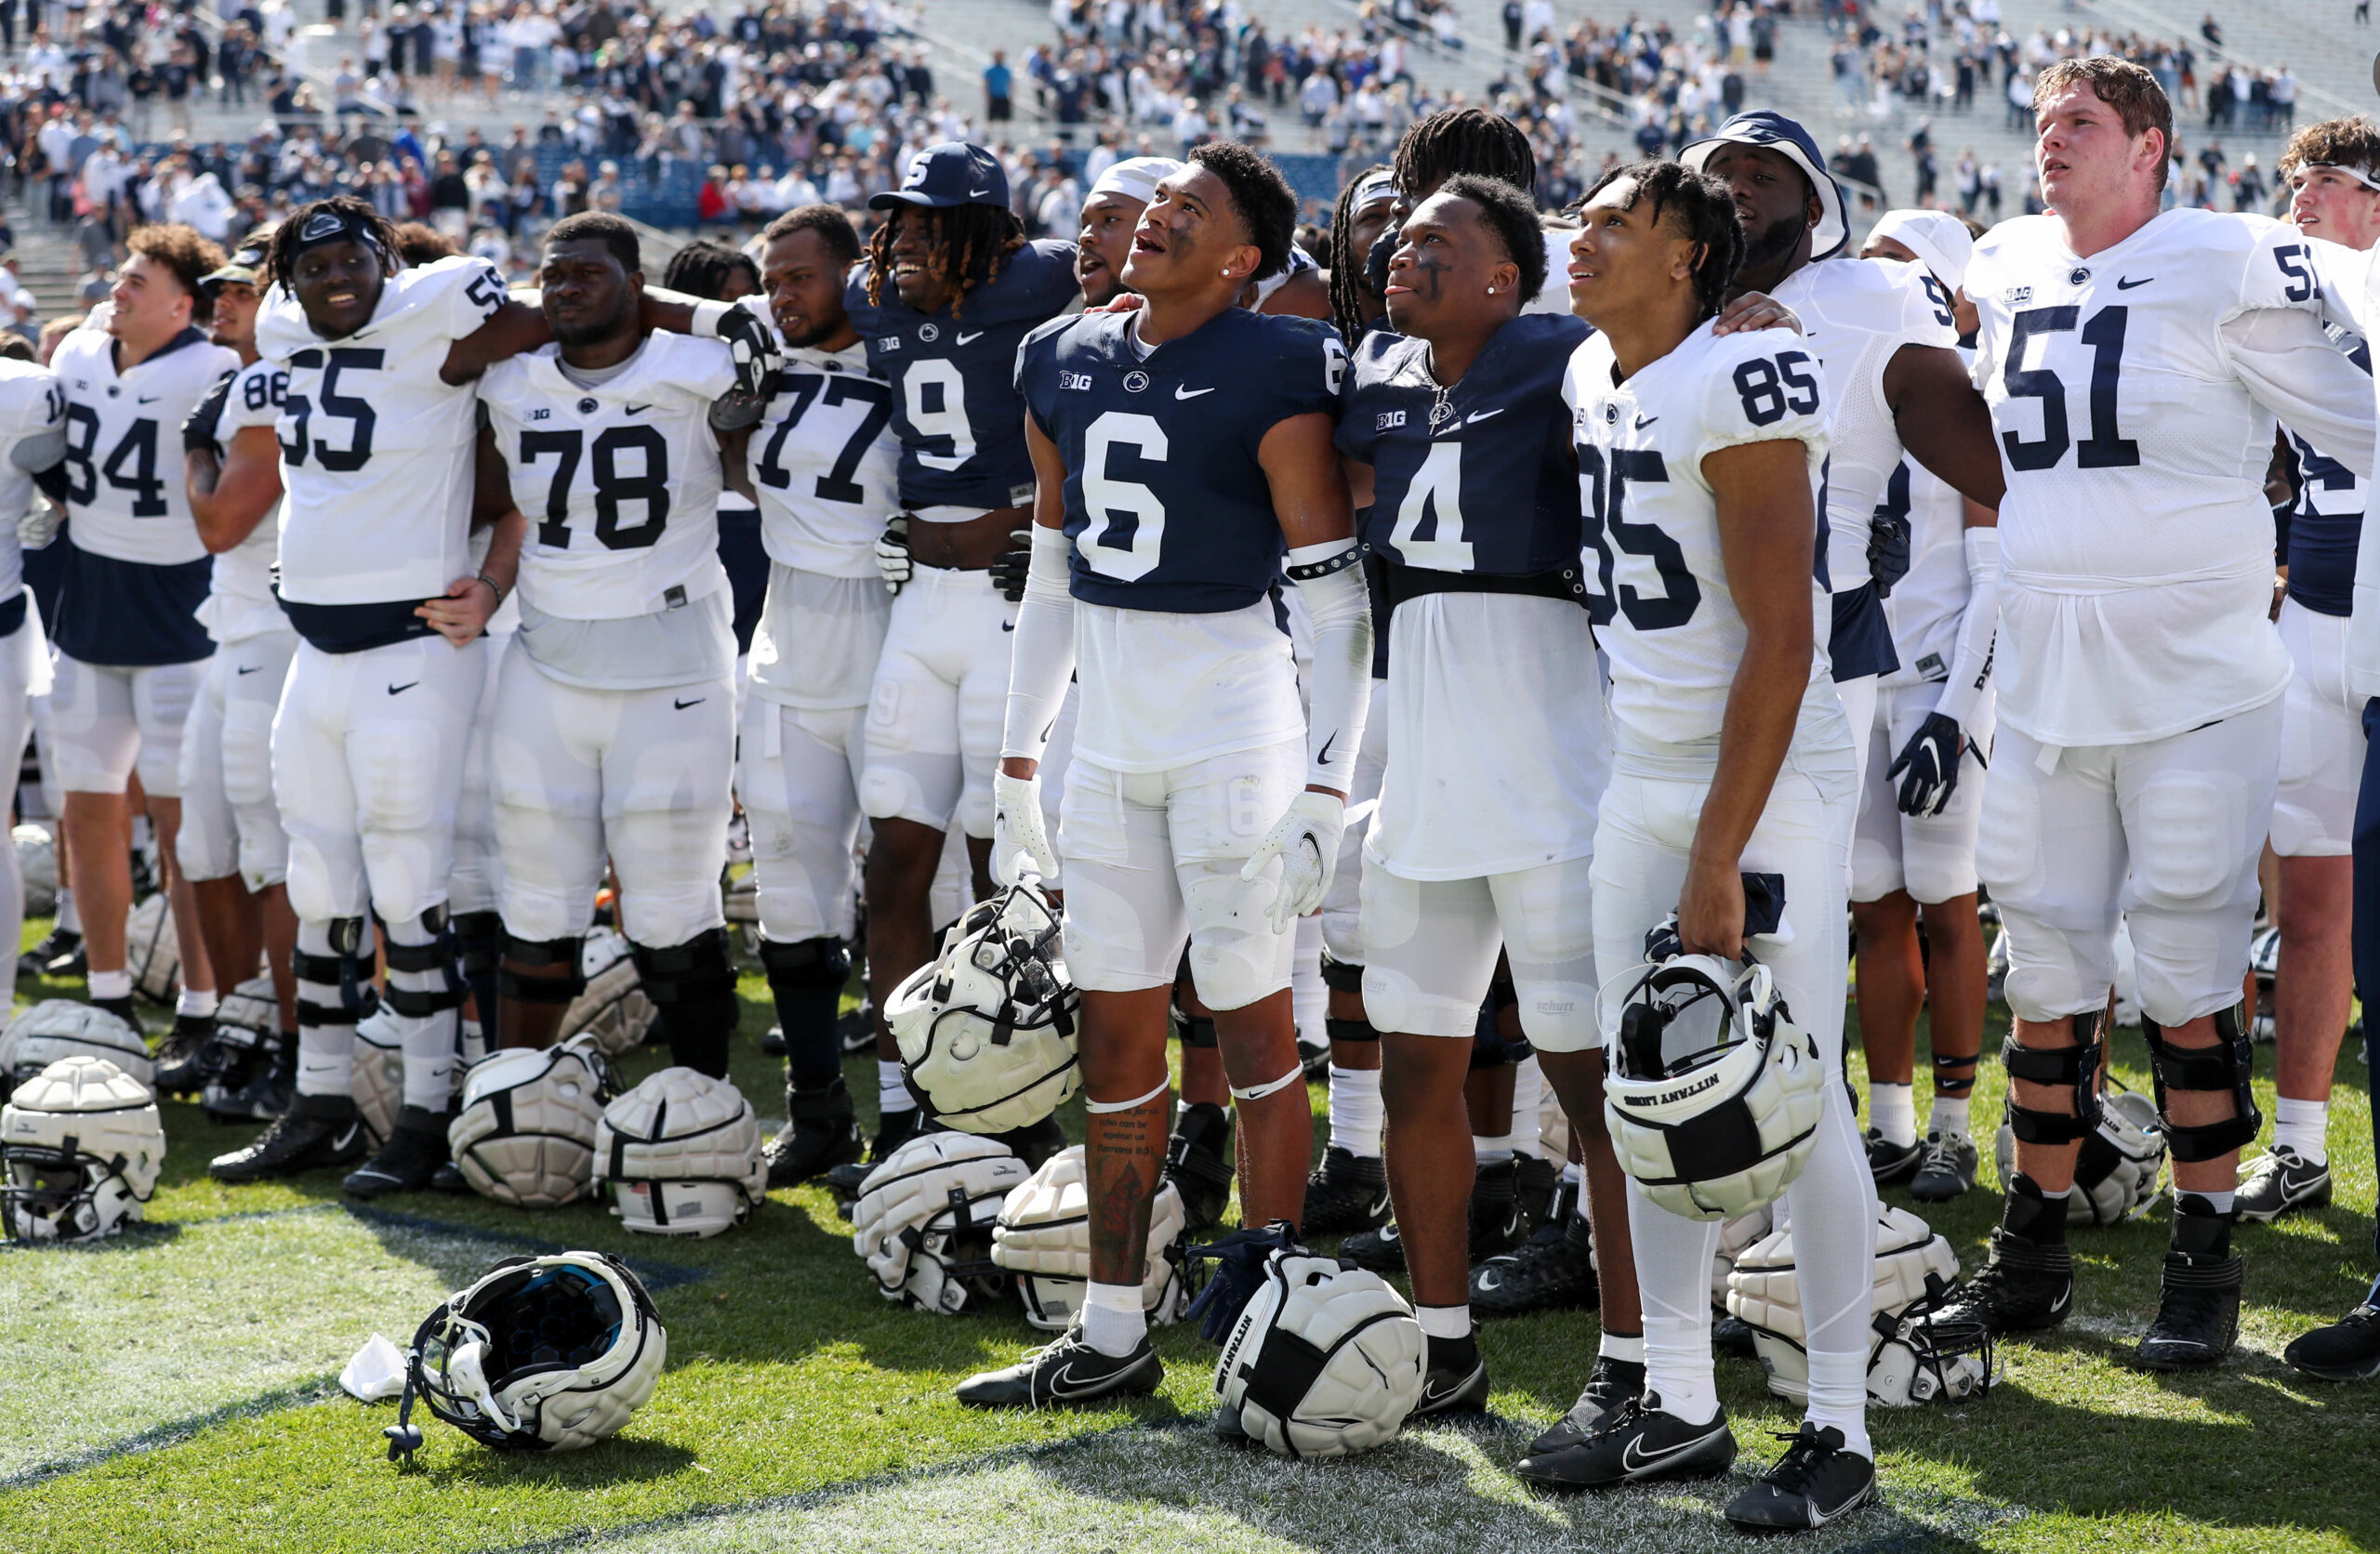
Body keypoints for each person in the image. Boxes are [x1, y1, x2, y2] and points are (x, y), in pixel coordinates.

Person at [1954, 59, 2373, 1369]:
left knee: (2189, 980)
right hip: (2045, 685)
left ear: (2152, 146)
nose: (2049, 144)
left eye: (2079, 123)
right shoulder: (2010, 259)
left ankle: (2205, 1260)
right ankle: (2030, 1246)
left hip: (2196, 687)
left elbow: (2360, 403)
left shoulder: (2227, 259)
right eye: (2039, 125)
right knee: (2047, 967)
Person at [956, 143, 1369, 1407]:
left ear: (1245, 258)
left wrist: (1321, 783)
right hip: (1114, 727)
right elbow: (1054, 566)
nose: (1158, 218)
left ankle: (1270, 1280)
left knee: (1249, 1012)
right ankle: (1112, 1324)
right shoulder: (1061, 354)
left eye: (1193, 211)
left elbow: (1335, 593)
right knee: (1116, 1031)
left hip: (1232, 712)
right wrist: (1020, 753)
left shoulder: (1280, 363)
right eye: (1162, 200)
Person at [1515, 157, 1877, 1533]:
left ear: (1688, 259)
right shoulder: (1592, 374)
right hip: (1645, 763)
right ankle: (1676, 1403)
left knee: (1800, 1090)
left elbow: (1783, 641)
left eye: (1618, 221)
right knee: (1642, 1085)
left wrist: (1719, 853)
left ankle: (1838, 1425)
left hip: (1764, 768)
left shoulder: (1744, 373)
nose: (1586, 236)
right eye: (1587, 215)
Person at [1334, 173, 1605, 1413]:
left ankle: (1641, 1363)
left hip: (1552, 740)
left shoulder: (1562, 352)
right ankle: (1443, 1347)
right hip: (1429, 740)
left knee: (1593, 1080)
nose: (1407, 251)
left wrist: (1748, 315)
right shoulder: (1378, 373)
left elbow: (1667, 339)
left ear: (1510, 275)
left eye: (1439, 239)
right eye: (1401, 236)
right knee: (1412, 1066)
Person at [833, 143, 1081, 1197]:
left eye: (938, 226)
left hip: (1010, 609)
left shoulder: (1046, 280)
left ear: (993, 234)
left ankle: (1012, 1104)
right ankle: (903, 1103)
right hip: (917, 607)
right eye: (903, 223)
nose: (912, 243)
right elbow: (794, 301)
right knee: (892, 859)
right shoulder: (872, 291)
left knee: (1003, 876)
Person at [473, 212, 745, 1138]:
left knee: (671, 900)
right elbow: (434, 354)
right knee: (537, 896)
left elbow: (769, 343)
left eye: (590, 272)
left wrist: (683, 311)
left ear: (639, 284)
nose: (567, 287)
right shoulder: (509, 378)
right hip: (545, 658)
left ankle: (702, 1104)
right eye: (552, 275)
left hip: (672, 668)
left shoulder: (694, 368)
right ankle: (516, 1103)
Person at [734, 204, 901, 1184]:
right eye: (771, 277)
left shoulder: (918, 356)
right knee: (792, 892)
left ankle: (929, 1119)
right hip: (787, 648)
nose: (779, 294)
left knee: (921, 892)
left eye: (798, 275)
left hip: (895, 638)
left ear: (854, 272)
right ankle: (819, 1111)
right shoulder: (764, 356)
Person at [40, 224, 237, 1044]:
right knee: (87, 814)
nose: (115, 292)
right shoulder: (78, 355)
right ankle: (108, 990)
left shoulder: (216, 367)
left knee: (182, 830)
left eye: (135, 284)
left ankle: (202, 1006)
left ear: (181, 304)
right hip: (88, 610)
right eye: (119, 279)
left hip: (177, 616)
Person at [2237, 118, 2380, 1231]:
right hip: (2309, 613)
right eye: (2292, 180)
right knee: (2314, 894)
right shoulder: (2293, 292)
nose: (2299, 199)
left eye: (2322, 182)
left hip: (2371, 624)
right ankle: (2295, 1146)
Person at [1851, 208, 2001, 1202]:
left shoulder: (1965, 389)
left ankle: (1954, 1124)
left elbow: (1997, 570)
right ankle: (1890, 1119)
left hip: (1945, 671)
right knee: (1872, 906)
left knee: (1947, 903)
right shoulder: (1845, 374)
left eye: (1900, 268)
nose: (1878, 286)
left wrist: (1956, 706)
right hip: (1855, 672)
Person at [174, 226, 303, 1110]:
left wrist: (195, 453)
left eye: (238, 290)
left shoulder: (276, 380)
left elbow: (220, 522)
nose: (220, 303)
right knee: (203, 846)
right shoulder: (242, 379)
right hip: (236, 629)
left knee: (274, 851)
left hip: (276, 630)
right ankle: (240, 1025)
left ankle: (301, 1047)